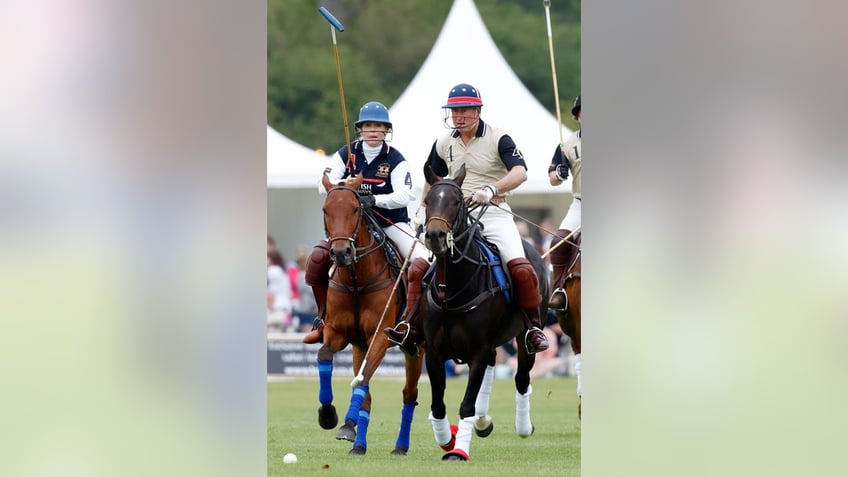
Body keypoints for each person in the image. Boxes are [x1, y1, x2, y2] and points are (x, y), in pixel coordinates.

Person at [384, 83, 549, 355]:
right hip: (450, 215)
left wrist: (493, 188)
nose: (458, 116)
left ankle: (532, 327)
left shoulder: (499, 138)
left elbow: (520, 172)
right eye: (454, 110)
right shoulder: (443, 142)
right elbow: (432, 179)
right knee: (417, 267)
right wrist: (423, 210)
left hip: (493, 211)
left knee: (520, 267)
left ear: (478, 110)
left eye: (464, 110)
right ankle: (409, 325)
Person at [301, 101, 429, 344]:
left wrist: (374, 199)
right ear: (360, 129)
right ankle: (322, 320)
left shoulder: (395, 159)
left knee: (422, 261)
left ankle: (410, 323)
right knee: (317, 260)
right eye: (368, 125)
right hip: (351, 225)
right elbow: (323, 184)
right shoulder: (346, 153)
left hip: (391, 223)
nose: (373, 130)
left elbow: (405, 195)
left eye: (378, 126)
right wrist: (345, 186)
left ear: (386, 130)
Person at [546, 94, 581, 309]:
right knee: (558, 242)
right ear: (577, 116)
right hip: (581, 203)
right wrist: (558, 174)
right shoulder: (567, 144)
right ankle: (558, 289)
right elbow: (552, 178)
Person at [267, 249, 293, 333]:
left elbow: (271, 293)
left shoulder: (272, 270)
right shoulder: (283, 271)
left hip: (276, 309)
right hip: (286, 309)